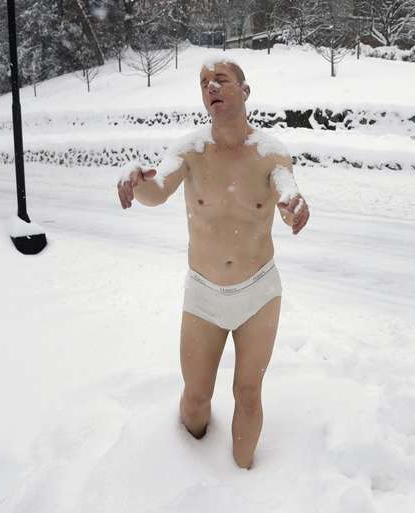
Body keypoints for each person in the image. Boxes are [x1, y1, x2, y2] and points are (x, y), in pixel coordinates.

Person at [116, 58, 310, 469]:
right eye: (204, 82)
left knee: (248, 393)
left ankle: (244, 479)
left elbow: (286, 196)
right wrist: (138, 182)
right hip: (203, 295)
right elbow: (158, 189)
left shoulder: (270, 154)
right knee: (195, 399)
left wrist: (294, 210)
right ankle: (190, 465)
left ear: (244, 90)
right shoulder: (190, 149)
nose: (211, 88)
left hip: (258, 292)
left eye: (220, 80)